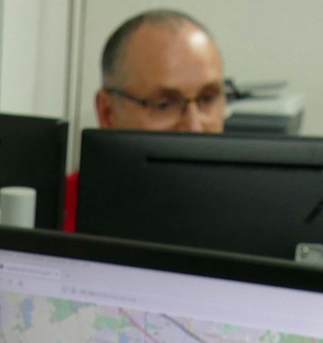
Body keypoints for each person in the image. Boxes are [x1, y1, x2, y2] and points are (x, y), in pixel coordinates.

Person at [67, 9, 228, 229]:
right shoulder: (59, 211)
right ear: (107, 112)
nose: (194, 127)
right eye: (164, 104)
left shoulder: (254, 211)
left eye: (207, 98)